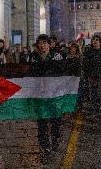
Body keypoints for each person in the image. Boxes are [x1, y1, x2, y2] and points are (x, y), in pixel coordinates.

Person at [30, 34, 63, 163]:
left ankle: (55, 138)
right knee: (42, 122)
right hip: (40, 95)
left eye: (45, 43)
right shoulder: (33, 57)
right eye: (40, 43)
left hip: (54, 95)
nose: (42, 45)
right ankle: (46, 148)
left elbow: (62, 73)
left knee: (55, 120)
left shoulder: (57, 56)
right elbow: (31, 74)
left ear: (50, 44)